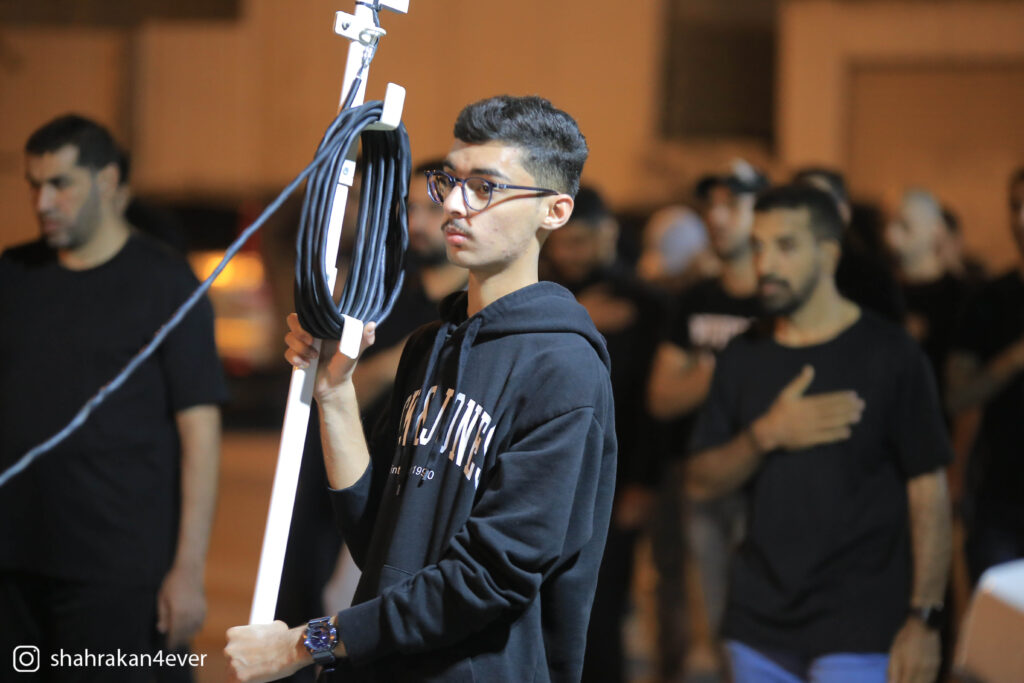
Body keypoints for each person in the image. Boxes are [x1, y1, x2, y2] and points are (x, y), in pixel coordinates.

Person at [225, 95, 617, 683]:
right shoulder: (432, 345)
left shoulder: (564, 369)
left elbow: (486, 581)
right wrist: (335, 394)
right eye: (450, 182)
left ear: (554, 211)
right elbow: (377, 536)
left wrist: (309, 643)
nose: (453, 205)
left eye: (485, 187)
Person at [686, 184, 953, 683]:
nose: (765, 264)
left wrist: (924, 618)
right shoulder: (743, 355)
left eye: (785, 246)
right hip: (758, 628)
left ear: (828, 254)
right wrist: (765, 434)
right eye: (758, 245)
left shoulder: (891, 353)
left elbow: (929, 489)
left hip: (861, 627)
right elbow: (700, 482)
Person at [0, 114, 226, 681]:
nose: (43, 202)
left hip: (117, 574)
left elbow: (200, 433)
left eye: (60, 184)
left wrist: (188, 569)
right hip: (14, 563)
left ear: (105, 181)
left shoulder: (167, 283)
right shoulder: (14, 274)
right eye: (34, 185)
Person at [645, 161, 767, 682]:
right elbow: (661, 398)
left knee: (760, 632)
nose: (716, 217)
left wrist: (703, 371)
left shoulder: (778, 298)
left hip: (769, 480)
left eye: (732, 205)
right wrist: (730, 371)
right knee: (706, 637)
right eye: (711, 205)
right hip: (698, 477)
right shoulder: (696, 300)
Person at [542, 186, 665, 682]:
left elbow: (651, 405)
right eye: (562, 243)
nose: (570, 254)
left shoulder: (646, 305)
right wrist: (577, 315)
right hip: (550, 471)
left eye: (581, 242)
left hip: (615, 476)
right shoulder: (546, 294)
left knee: (600, 604)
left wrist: (643, 482)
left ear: (608, 233)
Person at [946, 166, 1024, 584]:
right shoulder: (989, 301)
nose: (1021, 219)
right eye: (1015, 206)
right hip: (1001, 501)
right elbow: (958, 397)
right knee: (997, 622)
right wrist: (1013, 358)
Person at [884, 189, 971, 404]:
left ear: (936, 231)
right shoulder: (882, 290)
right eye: (892, 224)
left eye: (905, 225)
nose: (892, 236)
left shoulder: (960, 295)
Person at [792, 167, 907, 323]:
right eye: (797, 202)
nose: (806, 213)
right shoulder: (779, 269)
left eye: (818, 202)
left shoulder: (872, 278)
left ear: (844, 211)